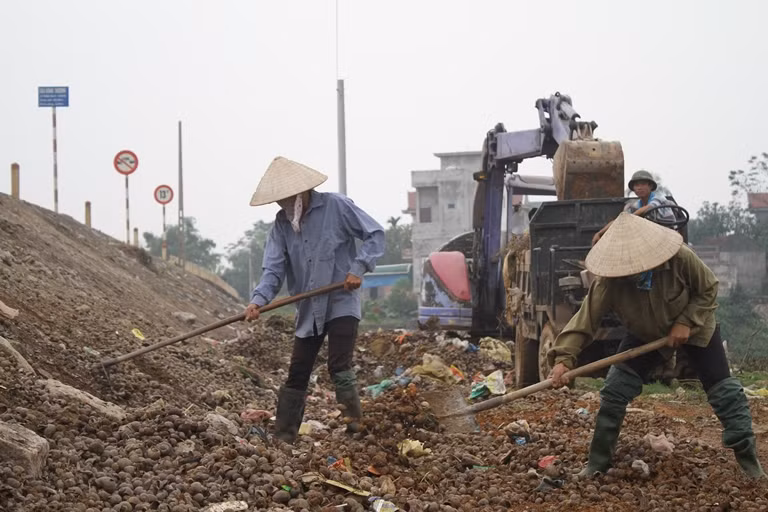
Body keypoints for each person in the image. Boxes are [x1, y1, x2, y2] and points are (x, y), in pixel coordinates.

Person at [547, 212, 766, 480]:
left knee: (725, 393)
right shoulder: (611, 282)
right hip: (645, 332)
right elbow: (585, 320)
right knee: (615, 391)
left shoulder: (681, 258)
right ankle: (597, 463)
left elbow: (708, 288)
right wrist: (563, 359)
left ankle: (751, 464)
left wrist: (686, 321)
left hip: (696, 328)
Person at [244, 156, 385, 443]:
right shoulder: (281, 226)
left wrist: (357, 269)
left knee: (339, 365)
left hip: (341, 301)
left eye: (286, 198)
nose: (283, 205)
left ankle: (356, 430)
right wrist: (258, 300)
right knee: (297, 372)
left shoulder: (336, 206)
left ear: (301, 192)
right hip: (309, 309)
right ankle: (284, 438)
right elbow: (273, 269)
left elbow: (375, 234)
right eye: (279, 201)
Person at [592, 170, 676, 246]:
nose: (639, 187)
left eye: (643, 184)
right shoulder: (635, 206)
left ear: (650, 186)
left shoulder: (659, 198)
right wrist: (600, 233)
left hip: (667, 236)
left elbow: (648, 208)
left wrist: (628, 217)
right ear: (633, 189)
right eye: (636, 185)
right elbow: (619, 220)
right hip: (648, 239)